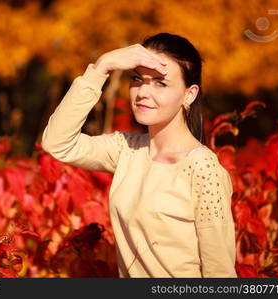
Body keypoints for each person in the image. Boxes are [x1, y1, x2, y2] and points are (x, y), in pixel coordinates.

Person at [41, 32, 237, 278]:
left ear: (190, 94)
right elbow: (57, 142)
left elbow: (219, 273)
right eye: (136, 79)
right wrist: (101, 67)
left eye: (160, 82)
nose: (143, 92)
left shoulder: (202, 167)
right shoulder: (127, 149)